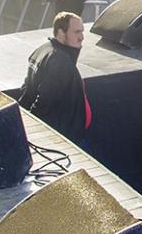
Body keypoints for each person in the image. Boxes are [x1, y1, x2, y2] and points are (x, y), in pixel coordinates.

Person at [18, 12, 90, 142]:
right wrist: (32, 130)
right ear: (61, 33)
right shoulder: (60, 60)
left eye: (82, 32)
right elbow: (44, 100)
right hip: (59, 136)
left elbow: (26, 88)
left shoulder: (42, 50)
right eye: (77, 32)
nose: (82, 37)